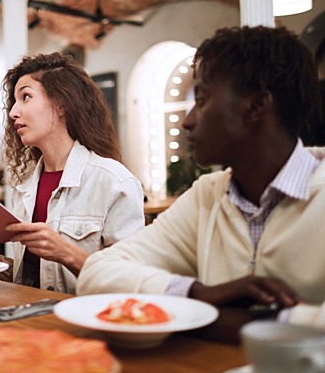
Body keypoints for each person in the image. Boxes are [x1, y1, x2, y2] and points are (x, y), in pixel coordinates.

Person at [77, 25, 325, 330]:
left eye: (203, 99)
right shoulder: (208, 195)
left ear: (256, 107)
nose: (188, 120)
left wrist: (255, 322)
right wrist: (198, 293)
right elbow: (95, 274)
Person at [0, 52, 144, 294]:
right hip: (32, 317)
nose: (12, 112)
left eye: (26, 97)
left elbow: (130, 282)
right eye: (13, 101)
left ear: (62, 104)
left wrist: (66, 253)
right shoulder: (25, 185)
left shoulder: (114, 181)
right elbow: (29, 277)